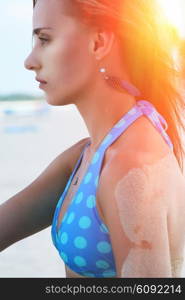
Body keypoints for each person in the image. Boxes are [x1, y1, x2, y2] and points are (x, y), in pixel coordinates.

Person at [1, 0, 185, 278]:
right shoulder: (88, 155)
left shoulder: (131, 167)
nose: (30, 62)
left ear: (99, 43)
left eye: (45, 40)